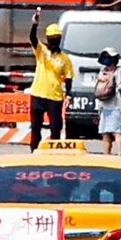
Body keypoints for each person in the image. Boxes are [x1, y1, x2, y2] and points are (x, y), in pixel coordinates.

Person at [26, 8, 72, 151]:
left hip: (55, 97)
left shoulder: (65, 59)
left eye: (56, 38)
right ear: (47, 38)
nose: (54, 40)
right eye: (52, 38)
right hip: (38, 94)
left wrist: (69, 94)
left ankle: (54, 153)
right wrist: (35, 24)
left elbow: (69, 78)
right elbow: (32, 38)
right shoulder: (41, 51)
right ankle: (34, 151)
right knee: (36, 127)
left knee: (55, 127)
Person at [94, 47, 121, 156]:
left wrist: (120, 87)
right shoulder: (102, 71)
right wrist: (100, 79)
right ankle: (106, 155)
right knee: (104, 133)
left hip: (116, 106)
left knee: (117, 132)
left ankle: (120, 154)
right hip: (104, 106)